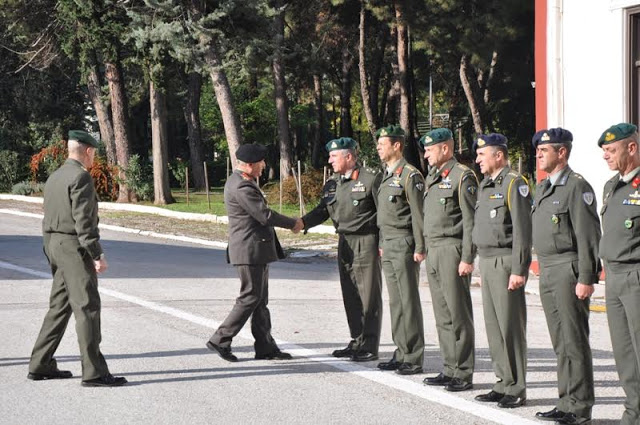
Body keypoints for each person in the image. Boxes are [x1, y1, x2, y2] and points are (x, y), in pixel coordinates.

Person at [28, 130, 127, 387]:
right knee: (87, 307)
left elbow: (48, 217)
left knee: (59, 307)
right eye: (95, 152)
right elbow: (84, 224)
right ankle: (94, 372)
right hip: (74, 247)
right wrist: (97, 254)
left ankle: (41, 363)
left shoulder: (56, 176)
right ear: (88, 151)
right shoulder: (81, 177)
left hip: (53, 244)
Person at [206, 143, 304, 362]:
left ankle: (265, 347)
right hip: (249, 250)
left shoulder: (242, 182)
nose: (264, 165)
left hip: (254, 250)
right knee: (250, 297)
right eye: (261, 162)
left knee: (259, 300)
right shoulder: (242, 186)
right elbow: (264, 215)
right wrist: (294, 223)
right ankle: (220, 339)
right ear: (249, 164)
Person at [531, 128, 600, 425]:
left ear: (562, 152)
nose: (538, 155)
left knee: (574, 340)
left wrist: (587, 277)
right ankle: (565, 400)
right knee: (560, 341)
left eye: (544, 150)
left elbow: (588, 236)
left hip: (568, 269)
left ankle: (581, 406)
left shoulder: (576, 187)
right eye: (537, 150)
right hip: (547, 269)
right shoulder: (543, 187)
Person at [302, 137, 383, 362]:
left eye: (333, 156)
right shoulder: (333, 183)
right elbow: (322, 210)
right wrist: (302, 222)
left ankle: (369, 344)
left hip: (366, 240)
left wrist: (383, 243)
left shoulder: (371, 178)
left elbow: (384, 213)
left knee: (369, 295)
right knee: (351, 293)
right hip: (344, 241)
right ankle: (356, 340)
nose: (330, 161)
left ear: (349, 157)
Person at [472, 133, 531, 408]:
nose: (477, 159)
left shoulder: (513, 183)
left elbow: (522, 229)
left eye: (482, 155)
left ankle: (516, 386)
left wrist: (519, 269)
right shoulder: (485, 185)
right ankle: (502, 382)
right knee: (494, 327)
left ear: (498, 155)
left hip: (506, 262)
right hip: (487, 261)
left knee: (510, 327)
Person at [420, 128, 477, 392]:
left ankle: (463, 372)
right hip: (433, 251)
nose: (425, 154)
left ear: (445, 149)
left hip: (452, 250)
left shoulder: (462, 176)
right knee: (443, 315)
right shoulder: (433, 176)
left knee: (458, 314)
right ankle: (449, 367)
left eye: (430, 149)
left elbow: (469, 220)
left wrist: (467, 257)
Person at [375, 124, 426, 375]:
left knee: (408, 301)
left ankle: (414, 356)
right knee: (396, 302)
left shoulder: (410, 175)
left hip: (406, 243)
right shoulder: (386, 175)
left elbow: (418, 215)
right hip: (389, 244)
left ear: (397, 145)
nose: (378, 148)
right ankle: (401, 351)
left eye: (382, 144)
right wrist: (383, 243)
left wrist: (420, 246)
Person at [598, 123, 640, 425]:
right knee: (624, 352)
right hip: (613, 277)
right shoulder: (612, 186)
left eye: (611, 150)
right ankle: (633, 413)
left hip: (636, 276)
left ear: (632, 148)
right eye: (604, 151)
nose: (606, 156)